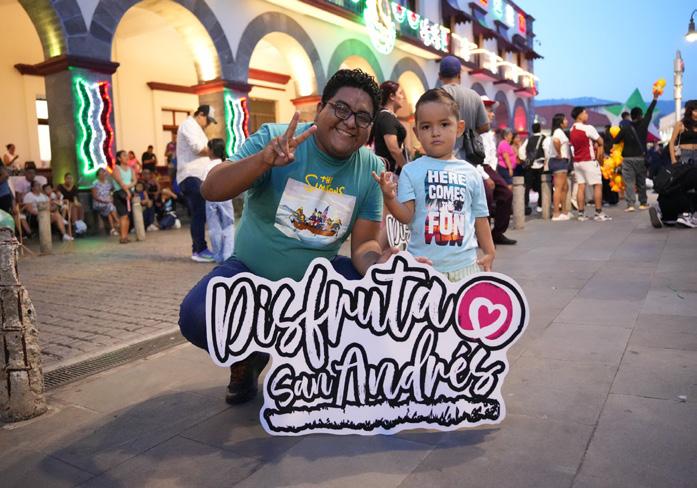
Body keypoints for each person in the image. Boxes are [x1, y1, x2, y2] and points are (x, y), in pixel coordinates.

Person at [180, 69, 389, 404]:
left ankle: (316, 362)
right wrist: (263, 161)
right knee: (198, 314)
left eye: (362, 117)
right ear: (320, 108)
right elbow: (211, 188)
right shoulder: (276, 138)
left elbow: (364, 245)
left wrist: (381, 266)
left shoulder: (371, 168)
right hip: (250, 275)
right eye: (341, 108)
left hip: (316, 287)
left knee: (376, 301)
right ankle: (249, 355)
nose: (350, 122)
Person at [373, 88, 495, 281]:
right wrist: (389, 198)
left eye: (444, 124)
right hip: (422, 268)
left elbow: (480, 216)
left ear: (459, 128)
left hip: (465, 267)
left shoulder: (471, 173)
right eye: (426, 127)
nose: (435, 133)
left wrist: (489, 251)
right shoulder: (410, 171)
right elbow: (406, 216)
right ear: (416, 132)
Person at [176, 105, 216, 262]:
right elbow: (197, 149)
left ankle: (200, 248)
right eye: (208, 120)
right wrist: (217, 150)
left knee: (201, 212)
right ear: (200, 114)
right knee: (199, 212)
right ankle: (199, 250)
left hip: (198, 176)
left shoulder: (197, 128)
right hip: (190, 175)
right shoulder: (189, 125)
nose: (208, 124)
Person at [613, 91, 659, 211]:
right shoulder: (644, 124)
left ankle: (631, 205)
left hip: (627, 159)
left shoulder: (625, 128)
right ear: (640, 115)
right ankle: (643, 203)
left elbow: (616, 140)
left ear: (631, 116)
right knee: (641, 181)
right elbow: (649, 112)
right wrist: (655, 99)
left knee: (629, 182)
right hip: (640, 158)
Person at [437, 55, 490, 161]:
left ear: (440, 76)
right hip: (469, 159)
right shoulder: (474, 95)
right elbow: (485, 126)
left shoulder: (435, 96)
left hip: (443, 158)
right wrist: (468, 134)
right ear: (459, 75)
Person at [569, 107, 611, 221]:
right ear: (579, 115)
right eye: (585, 113)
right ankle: (598, 213)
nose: (587, 115)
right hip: (589, 161)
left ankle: (581, 214)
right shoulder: (588, 128)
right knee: (597, 185)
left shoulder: (572, 129)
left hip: (577, 162)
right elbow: (601, 141)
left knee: (581, 186)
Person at [203, 138, 235, 264]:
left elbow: (203, 184)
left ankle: (218, 255)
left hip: (211, 198)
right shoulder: (226, 164)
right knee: (228, 225)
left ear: (212, 151)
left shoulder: (208, 166)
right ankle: (228, 254)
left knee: (214, 227)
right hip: (226, 196)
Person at [370, 80, 408, 173]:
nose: (403, 97)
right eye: (400, 93)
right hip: (390, 172)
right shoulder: (386, 117)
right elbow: (393, 149)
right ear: (391, 96)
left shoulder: (386, 116)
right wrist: (407, 169)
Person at [518, 123, 547, 214]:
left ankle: (526, 205)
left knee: (527, 187)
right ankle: (540, 205)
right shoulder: (544, 138)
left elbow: (521, 151)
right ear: (540, 129)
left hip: (530, 166)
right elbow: (547, 150)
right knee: (541, 186)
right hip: (540, 165)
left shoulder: (529, 139)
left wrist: (526, 159)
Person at [548, 113, 571, 220]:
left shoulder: (559, 132)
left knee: (565, 187)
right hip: (559, 161)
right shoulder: (558, 132)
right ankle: (556, 213)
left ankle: (564, 211)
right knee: (559, 188)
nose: (567, 121)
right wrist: (559, 153)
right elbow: (556, 141)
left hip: (562, 161)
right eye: (565, 120)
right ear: (561, 123)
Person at [112, 150, 136, 243]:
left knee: (127, 216)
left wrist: (128, 187)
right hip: (120, 194)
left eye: (127, 155)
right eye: (124, 155)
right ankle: (122, 237)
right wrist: (127, 191)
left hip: (128, 192)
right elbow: (120, 182)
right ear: (119, 158)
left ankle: (126, 236)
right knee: (123, 215)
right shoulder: (116, 168)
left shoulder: (131, 169)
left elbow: (134, 180)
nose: (127, 157)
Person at [669, 99, 697, 165]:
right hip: (684, 154)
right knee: (684, 171)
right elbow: (672, 142)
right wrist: (673, 160)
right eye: (695, 110)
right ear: (689, 111)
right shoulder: (680, 124)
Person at [92, 168, 119, 236]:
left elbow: (112, 191)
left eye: (104, 173)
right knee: (110, 206)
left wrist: (111, 197)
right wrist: (104, 201)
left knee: (109, 209)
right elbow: (95, 196)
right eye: (101, 174)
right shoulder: (95, 183)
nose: (103, 175)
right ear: (98, 175)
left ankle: (112, 229)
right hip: (99, 203)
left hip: (108, 202)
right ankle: (118, 221)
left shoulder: (108, 183)